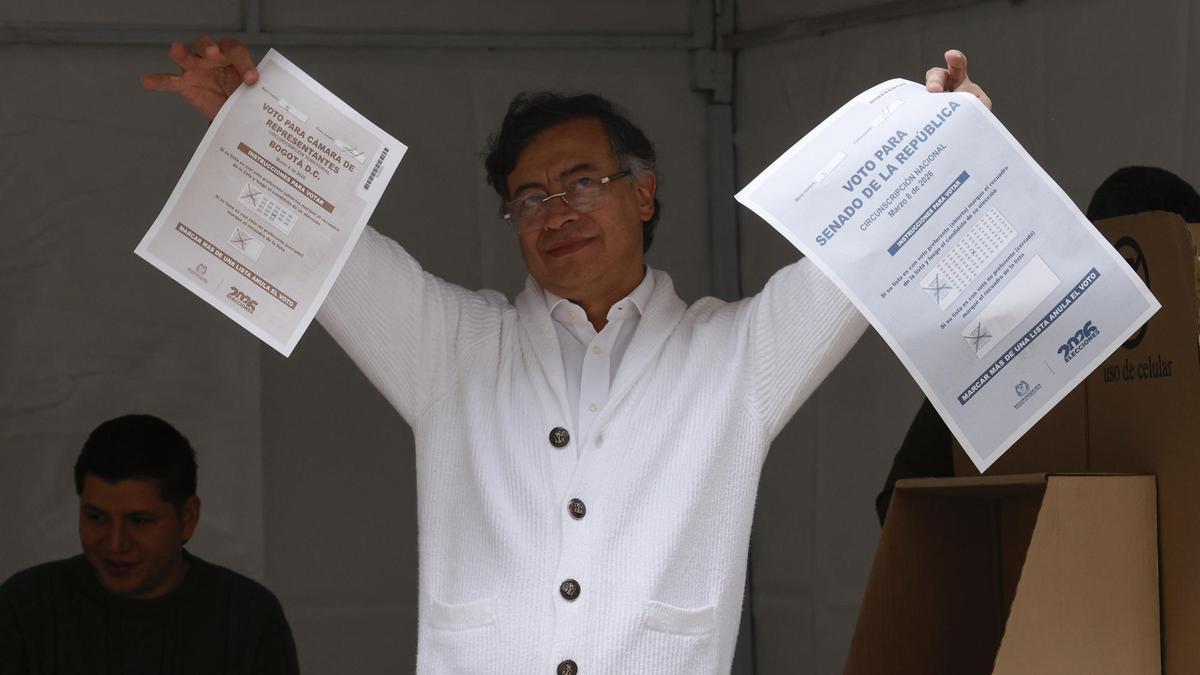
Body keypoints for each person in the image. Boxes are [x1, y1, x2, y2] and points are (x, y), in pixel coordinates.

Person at [142, 38, 991, 674]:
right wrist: (244, 119)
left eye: (583, 181)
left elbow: (856, 267)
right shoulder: (451, 347)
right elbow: (333, 252)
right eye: (530, 199)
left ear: (644, 191)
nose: (558, 212)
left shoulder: (734, 357)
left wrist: (952, 134)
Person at [0, 414, 299, 675]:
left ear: (187, 518)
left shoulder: (248, 618)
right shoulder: (24, 609)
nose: (115, 544)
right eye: (96, 517)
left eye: (139, 521)